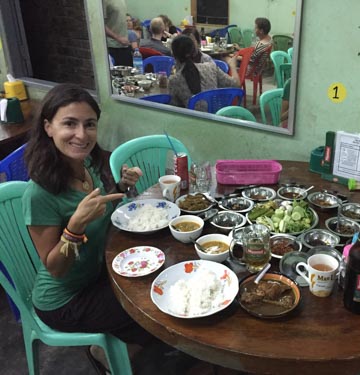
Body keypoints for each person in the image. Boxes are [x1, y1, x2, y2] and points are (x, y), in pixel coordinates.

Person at [21, 83, 157, 372]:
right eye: (69, 123)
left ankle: (115, 345)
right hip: (65, 299)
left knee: (155, 285)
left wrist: (122, 187)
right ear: (48, 127)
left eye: (89, 124)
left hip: (98, 274)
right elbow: (55, 268)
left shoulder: (89, 167)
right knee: (152, 314)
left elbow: (103, 212)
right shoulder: (39, 194)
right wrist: (74, 227)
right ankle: (105, 355)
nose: (82, 135)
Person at [167, 35, 240, 110]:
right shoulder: (211, 67)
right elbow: (236, 84)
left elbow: (173, 108)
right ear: (194, 52)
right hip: (216, 115)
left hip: (192, 119)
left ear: (173, 55)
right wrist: (232, 66)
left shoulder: (174, 80)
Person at [103, 0, 132, 66]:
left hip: (124, 45)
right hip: (112, 46)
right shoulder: (104, 2)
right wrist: (118, 38)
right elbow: (101, 24)